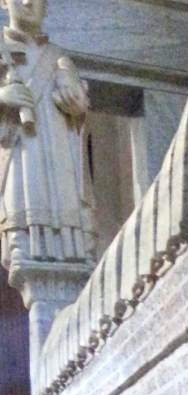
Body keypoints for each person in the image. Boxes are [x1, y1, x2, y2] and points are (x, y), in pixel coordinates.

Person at [0, 0, 94, 271]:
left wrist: (76, 103)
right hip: (20, 152)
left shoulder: (59, 57)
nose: (28, 2)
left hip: (58, 154)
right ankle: (22, 244)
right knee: (23, 209)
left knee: (67, 216)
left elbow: (78, 101)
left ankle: (74, 248)